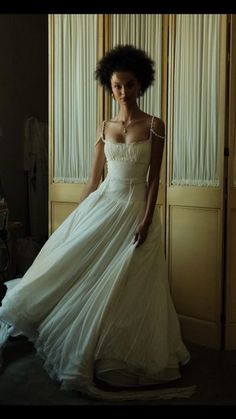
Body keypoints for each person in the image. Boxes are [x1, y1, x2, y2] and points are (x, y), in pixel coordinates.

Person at [0, 45, 194, 401]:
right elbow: (93, 179)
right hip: (104, 203)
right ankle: (90, 347)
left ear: (141, 85)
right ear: (110, 86)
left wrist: (147, 220)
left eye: (129, 85)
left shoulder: (155, 125)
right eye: (117, 86)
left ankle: (119, 355)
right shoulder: (104, 126)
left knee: (128, 285)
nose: (123, 92)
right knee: (80, 271)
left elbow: (154, 181)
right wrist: (76, 216)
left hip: (135, 209)